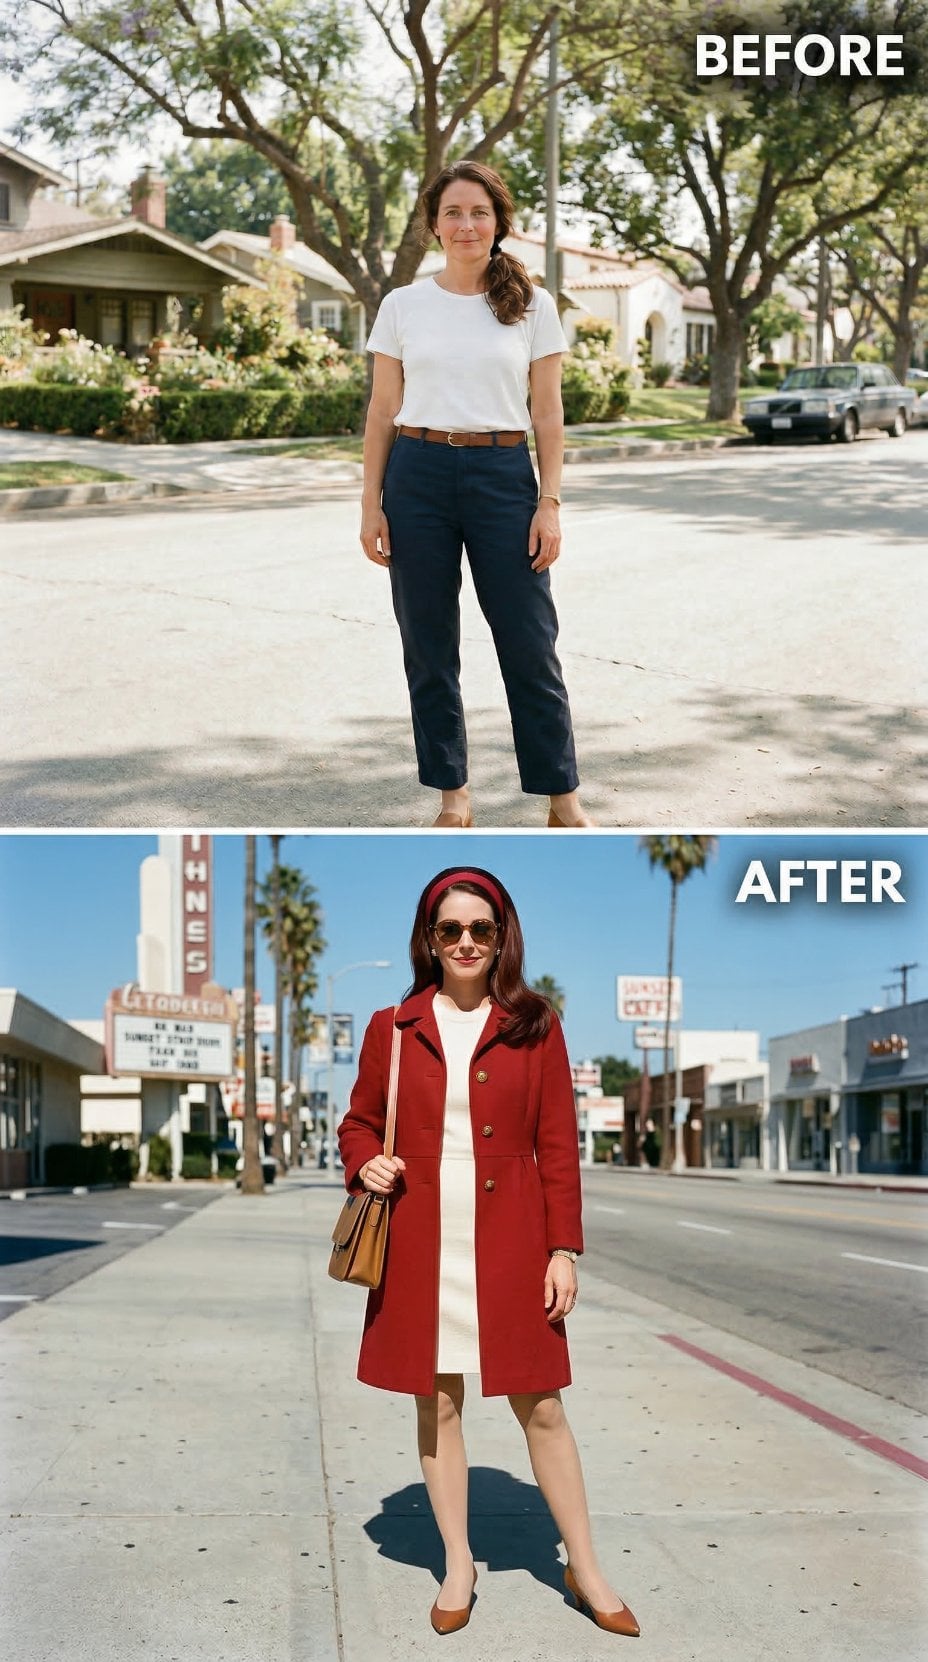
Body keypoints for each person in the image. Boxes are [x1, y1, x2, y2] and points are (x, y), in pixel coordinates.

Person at [337, 867, 639, 1638]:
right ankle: (460, 1563)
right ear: (429, 941)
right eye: (450, 930)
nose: (466, 942)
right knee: (436, 1400)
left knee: (541, 1404)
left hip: (509, 1240)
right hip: (418, 1240)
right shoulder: (393, 1027)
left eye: (480, 928)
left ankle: (584, 1562)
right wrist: (364, 1159)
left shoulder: (536, 1023)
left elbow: (557, 1146)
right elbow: (359, 1123)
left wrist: (563, 1247)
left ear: (501, 936)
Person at [359, 160, 594, 829]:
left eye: (479, 212)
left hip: (502, 478)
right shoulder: (402, 305)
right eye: (454, 213)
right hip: (416, 475)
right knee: (428, 645)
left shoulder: (532, 306)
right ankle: (453, 795)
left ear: (499, 223)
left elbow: (547, 414)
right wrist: (370, 502)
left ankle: (563, 799)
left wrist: (550, 502)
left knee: (529, 641)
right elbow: (381, 411)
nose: (467, 225)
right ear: (434, 224)